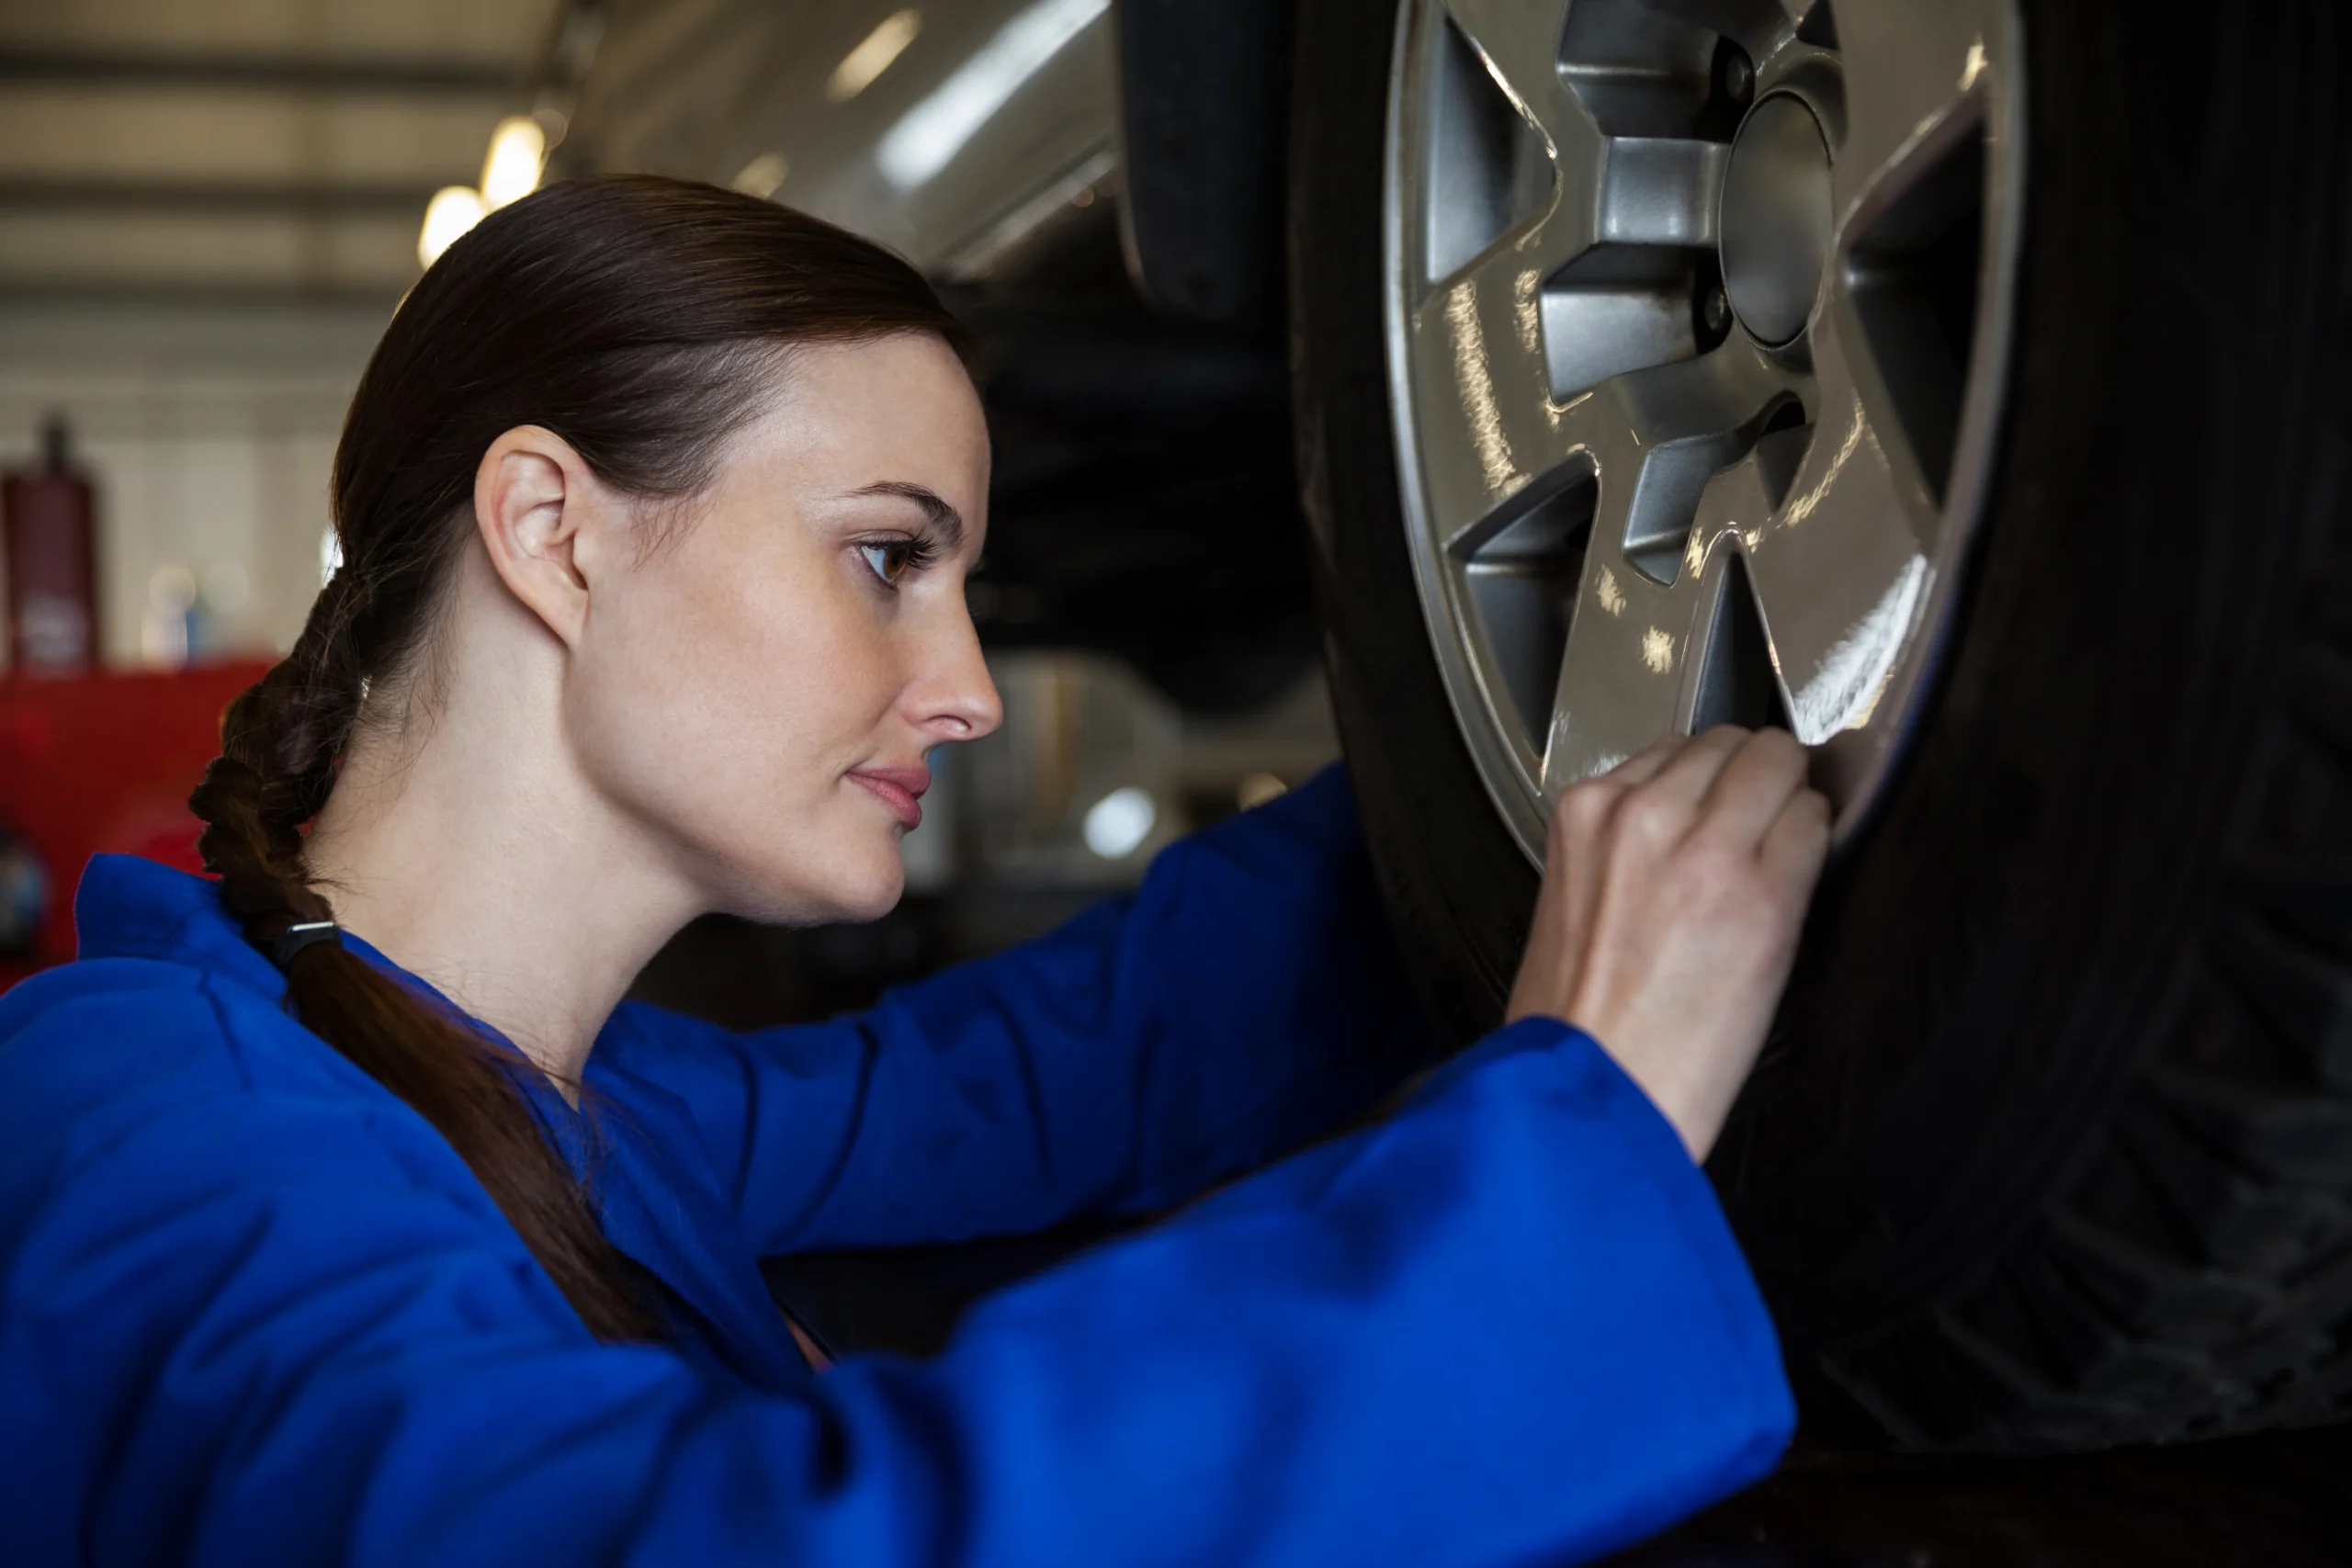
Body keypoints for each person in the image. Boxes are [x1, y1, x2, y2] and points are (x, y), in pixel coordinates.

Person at [0, 176, 1829, 1566]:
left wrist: (1520, 755)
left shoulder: (552, 1086)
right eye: (886, 557)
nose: (962, 693)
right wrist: (1569, 1133)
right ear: (552, 533)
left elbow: (1053, 1065)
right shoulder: (147, 1116)